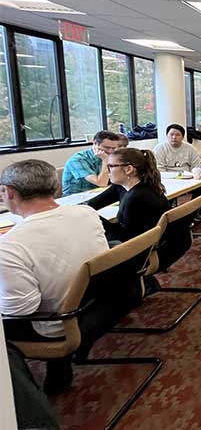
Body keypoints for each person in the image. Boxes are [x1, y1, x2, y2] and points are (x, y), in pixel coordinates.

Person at [0, 160, 109, 393]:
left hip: (56, 325)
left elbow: (19, 311)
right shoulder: (86, 213)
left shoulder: (10, 246)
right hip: (98, 304)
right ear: (56, 186)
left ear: (9, 192)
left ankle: (19, 394)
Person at [87, 148, 170, 244]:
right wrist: (84, 211)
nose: (106, 170)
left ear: (128, 169)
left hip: (145, 245)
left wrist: (92, 217)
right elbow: (92, 204)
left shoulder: (136, 198)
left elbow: (129, 238)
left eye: (110, 166)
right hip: (151, 239)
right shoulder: (132, 185)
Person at [61, 130, 119, 196]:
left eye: (113, 148)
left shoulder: (106, 156)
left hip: (97, 194)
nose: (110, 151)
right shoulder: (78, 159)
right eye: (107, 147)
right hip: (76, 198)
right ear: (95, 143)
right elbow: (101, 183)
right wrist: (106, 161)